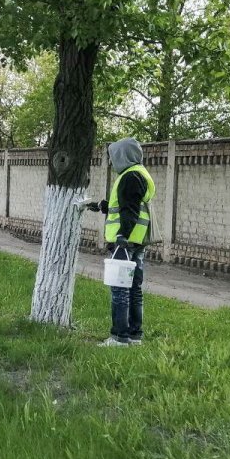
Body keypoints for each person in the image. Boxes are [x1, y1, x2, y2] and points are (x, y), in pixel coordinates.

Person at [91, 137, 155, 346]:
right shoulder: (140, 173)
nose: (112, 161)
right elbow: (129, 204)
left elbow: (130, 210)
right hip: (137, 242)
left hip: (125, 243)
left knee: (120, 290)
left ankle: (119, 337)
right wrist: (103, 206)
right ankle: (135, 335)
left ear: (122, 156)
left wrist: (121, 237)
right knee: (134, 288)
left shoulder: (130, 176)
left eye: (114, 156)